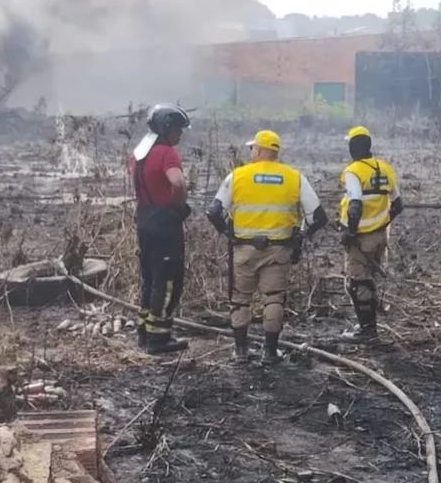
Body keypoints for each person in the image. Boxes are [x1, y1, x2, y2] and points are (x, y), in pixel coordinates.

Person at [206, 130, 328, 366]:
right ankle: (270, 352)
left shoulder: (237, 176)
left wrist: (227, 233)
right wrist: (301, 235)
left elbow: (213, 211)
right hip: (278, 250)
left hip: (244, 249)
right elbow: (318, 217)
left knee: (240, 299)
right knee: (273, 299)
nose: (251, 151)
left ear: (261, 150)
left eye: (253, 148)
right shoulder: (294, 177)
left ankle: (240, 352)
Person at [128, 103, 192, 355]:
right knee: (168, 280)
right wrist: (179, 206)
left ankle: (144, 331)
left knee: (150, 277)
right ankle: (159, 337)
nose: (181, 134)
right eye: (177, 129)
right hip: (165, 221)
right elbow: (177, 182)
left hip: (144, 217)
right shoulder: (167, 153)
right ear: (166, 129)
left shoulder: (138, 154)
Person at [338, 126, 403, 342]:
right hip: (380, 235)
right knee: (368, 280)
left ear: (352, 147)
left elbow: (355, 205)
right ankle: (369, 325)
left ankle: (367, 331)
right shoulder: (385, 168)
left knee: (357, 282)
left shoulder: (353, 171)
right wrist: (383, 222)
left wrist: (352, 232)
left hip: (361, 238)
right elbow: (398, 204)